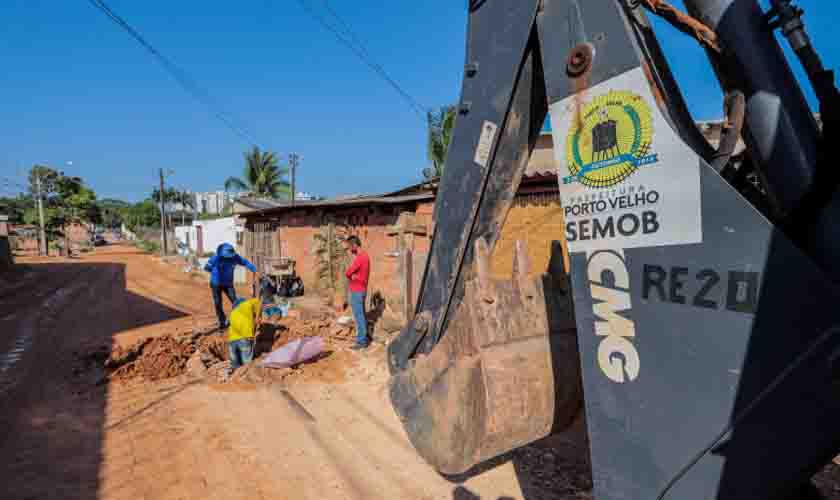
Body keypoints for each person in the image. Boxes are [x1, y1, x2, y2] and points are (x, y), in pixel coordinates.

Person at [204, 243, 258, 330]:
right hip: (216, 284)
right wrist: (215, 271)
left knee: (235, 301)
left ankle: (242, 319)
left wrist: (255, 270)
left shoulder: (235, 257)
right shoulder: (216, 258)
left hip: (228, 284)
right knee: (218, 303)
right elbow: (207, 267)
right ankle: (222, 321)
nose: (228, 258)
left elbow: (245, 262)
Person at [343, 235, 371, 349]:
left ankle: (361, 341)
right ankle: (364, 337)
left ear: (354, 245)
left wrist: (352, 276)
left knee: (359, 316)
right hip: (362, 289)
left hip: (357, 291)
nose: (349, 249)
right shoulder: (365, 256)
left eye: (350, 246)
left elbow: (348, 272)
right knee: (361, 315)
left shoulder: (360, 257)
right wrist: (354, 276)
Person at [226, 296, 263, 376]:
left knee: (235, 362)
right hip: (245, 338)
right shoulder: (247, 304)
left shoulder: (232, 314)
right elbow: (258, 301)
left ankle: (233, 376)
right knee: (247, 363)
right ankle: (244, 377)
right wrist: (259, 315)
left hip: (232, 340)